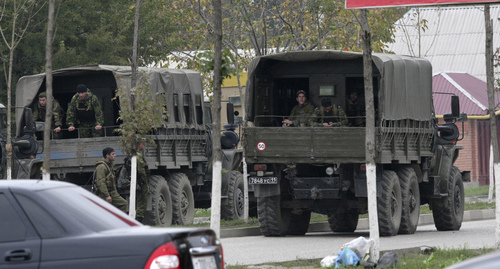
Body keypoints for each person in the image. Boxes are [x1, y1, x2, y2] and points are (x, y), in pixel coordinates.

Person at [93, 147, 128, 213]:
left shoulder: (109, 166)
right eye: (113, 154)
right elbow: (101, 182)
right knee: (104, 211)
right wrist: (107, 195)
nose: (115, 155)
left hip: (111, 192)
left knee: (122, 204)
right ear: (107, 156)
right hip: (104, 193)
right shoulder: (102, 167)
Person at [134, 141, 149, 223]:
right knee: (142, 201)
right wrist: (145, 180)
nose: (144, 144)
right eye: (142, 143)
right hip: (140, 181)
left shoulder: (133, 155)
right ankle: (139, 220)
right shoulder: (138, 156)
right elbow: (141, 170)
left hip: (136, 181)